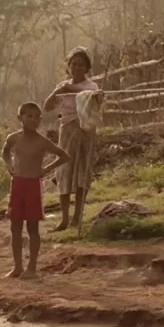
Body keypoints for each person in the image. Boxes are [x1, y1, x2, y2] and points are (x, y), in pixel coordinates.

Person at [1, 102, 71, 279]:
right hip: (17, 184)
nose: (33, 120)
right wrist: (9, 165)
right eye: (29, 116)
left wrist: (46, 169)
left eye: (37, 117)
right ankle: (17, 267)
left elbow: (64, 156)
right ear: (20, 118)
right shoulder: (14, 138)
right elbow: (5, 151)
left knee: (33, 228)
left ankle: (31, 268)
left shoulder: (42, 141)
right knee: (15, 227)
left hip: (33, 185)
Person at [43, 47, 100, 234]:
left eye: (81, 65)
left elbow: (92, 99)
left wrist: (70, 89)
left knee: (83, 169)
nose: (76, 68)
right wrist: (57, 91)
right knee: (64, 170)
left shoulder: (92, 86)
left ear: (87, 68)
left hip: (85, 130)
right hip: (67, 129)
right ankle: (65, 218)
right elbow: (47, 107)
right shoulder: (62, 86)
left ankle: (77, 216)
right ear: (68, 66)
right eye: (73, 64)